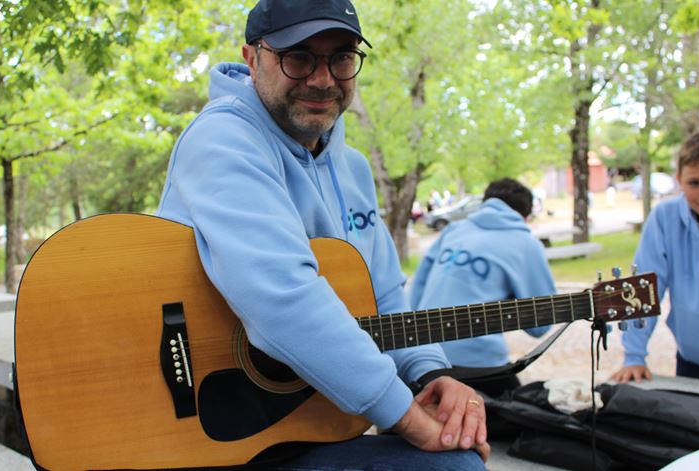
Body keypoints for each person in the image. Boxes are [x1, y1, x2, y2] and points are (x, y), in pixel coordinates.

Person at [156, 0, 489, 468]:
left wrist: (431, 373)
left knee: (459, 458)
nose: (322, 78)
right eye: (299, 57)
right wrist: (408, 419)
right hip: (201, 430)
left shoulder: (352, 168)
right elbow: (284, 300)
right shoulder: (222, 139)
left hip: (305, 421)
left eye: (341, 57)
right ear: (252, 59)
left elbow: (385, 296)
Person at [610, 131, 699, 399]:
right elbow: (643, 288)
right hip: (691, 363)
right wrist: (634, 356)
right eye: (694, 183)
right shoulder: (663, 218)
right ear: (679, 181)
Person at [410, 178, 556, 397]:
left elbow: (417, 290)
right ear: (525, 217)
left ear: (485, 202)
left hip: (422, 356)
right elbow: (540, 326)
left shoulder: (454, 230)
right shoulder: (525, 243)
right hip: (478, 361)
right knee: (521, 416)